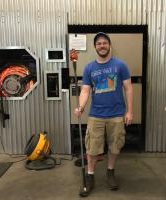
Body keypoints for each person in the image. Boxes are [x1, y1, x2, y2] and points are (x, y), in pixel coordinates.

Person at [74, 32, 133, 197]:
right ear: (95, 47)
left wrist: (130, 111)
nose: (102, 45)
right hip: (96, 115)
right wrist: (80, 106)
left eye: (104, 43)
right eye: (99, 43)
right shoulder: (89, 68)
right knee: (92, 148)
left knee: (115, 146)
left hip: (116, 114)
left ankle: (110, 172)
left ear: (109, 45)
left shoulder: (120, 65)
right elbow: (85, 90)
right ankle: (90, 175)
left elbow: (128, 88)